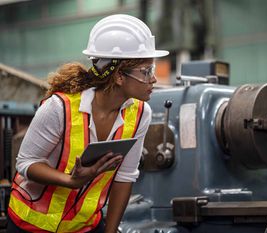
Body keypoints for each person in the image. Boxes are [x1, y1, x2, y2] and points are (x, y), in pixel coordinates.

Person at [7, 14, 168, 233]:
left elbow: (124, 177)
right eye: (146, 71)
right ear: (119, 77)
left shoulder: (140, 113)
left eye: (153, 69)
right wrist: (71, 181)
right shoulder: (60, 107)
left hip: (85, 226)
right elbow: (26, 163)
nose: (154, 79)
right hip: (31, 224)